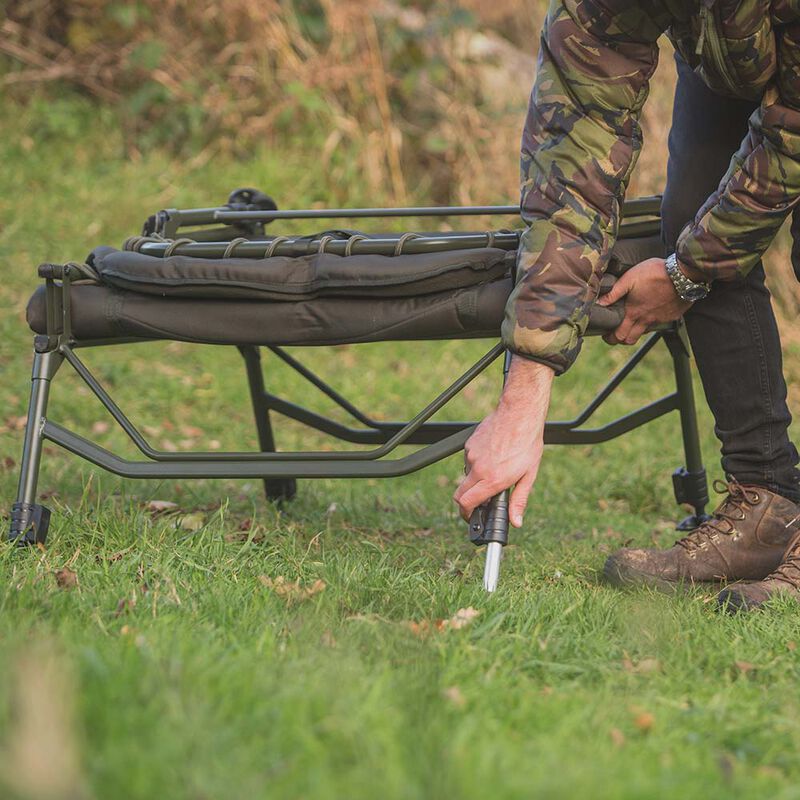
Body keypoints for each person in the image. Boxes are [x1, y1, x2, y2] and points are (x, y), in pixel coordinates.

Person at [454, 0, 800, 612]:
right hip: (732, 57)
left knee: (715, 240)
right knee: (692, 210)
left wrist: (687, 272)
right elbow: (573, 154)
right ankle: (767, 499)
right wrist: (525, 393)